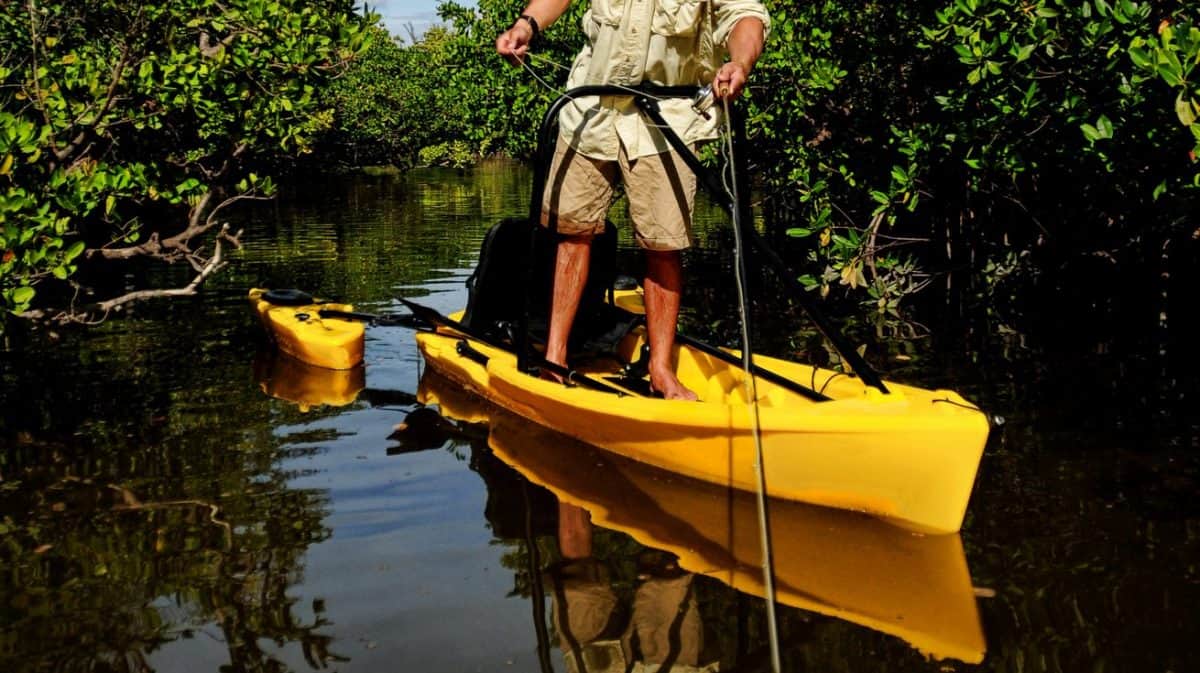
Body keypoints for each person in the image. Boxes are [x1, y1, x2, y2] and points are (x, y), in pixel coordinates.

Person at [496, 0, 769, 400]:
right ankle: (555, 356)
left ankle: (660, 369)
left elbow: (746, 16)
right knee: (573, 233)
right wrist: (526, 26)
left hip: (668, 118)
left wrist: (739, 64)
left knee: (664, 245)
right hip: (589, 111)